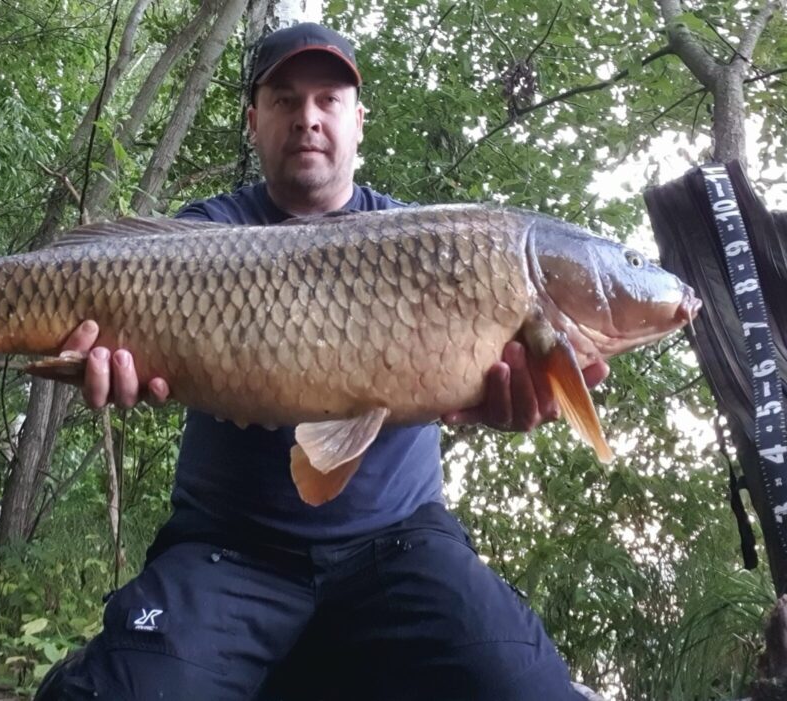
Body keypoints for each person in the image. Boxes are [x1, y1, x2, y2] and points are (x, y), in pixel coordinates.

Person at [35, 22, 609, 701]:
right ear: (254, 122)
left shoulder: (434, 241)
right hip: (229, 544)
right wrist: (97, 362)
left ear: (357, 123)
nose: (306, 117)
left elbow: (494, 378)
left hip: (400, 543)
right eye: (284, 99)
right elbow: (117, 332)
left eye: (328, 100)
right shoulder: (202, 235)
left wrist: (515, 403)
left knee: (522, 687)